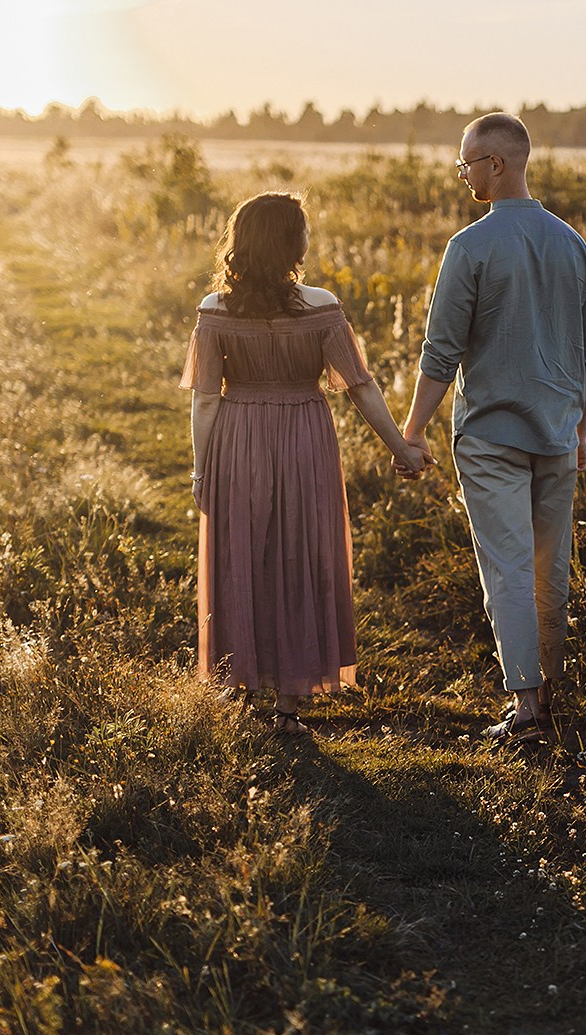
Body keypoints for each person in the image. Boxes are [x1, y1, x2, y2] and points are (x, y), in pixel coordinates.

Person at [183, 191, 430, 736]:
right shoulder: (321, 306)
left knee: (242, 553)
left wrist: (202, 470)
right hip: (303, 437)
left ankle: (236, 683)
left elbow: (204, 399)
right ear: (292, 243)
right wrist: (402, 448)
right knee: (299, 555)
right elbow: (360, 389)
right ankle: (289, 706)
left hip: (238, 435)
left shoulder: (214, 310)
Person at [402, 111, 586, 741]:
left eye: (467, 162)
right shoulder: (572, 244)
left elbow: (441, 353)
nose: (462, 175)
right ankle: (554, 696)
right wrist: (581, 428)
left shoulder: (470, 247)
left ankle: (527, 711)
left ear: (497, 162)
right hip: (559, 431)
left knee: (510, 568)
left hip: (491, 436)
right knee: (552, 568)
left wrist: (411, 432)